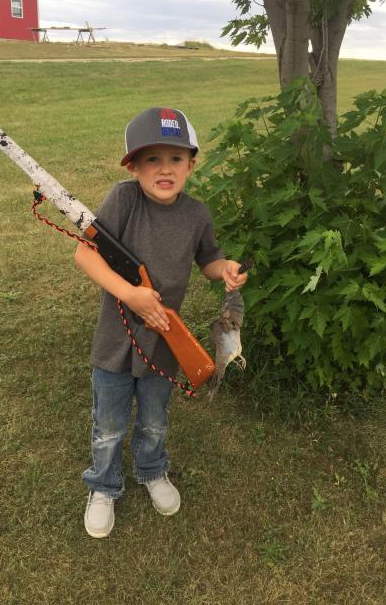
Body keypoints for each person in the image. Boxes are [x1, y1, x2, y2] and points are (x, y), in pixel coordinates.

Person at [75, 107, 248, 538]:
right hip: (116, 339)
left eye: (175, 158)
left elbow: (208, 260)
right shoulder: (123, 200)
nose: (165, 169)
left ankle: (152, 470)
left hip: (164, 341)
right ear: (133, 166)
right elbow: (85, 254)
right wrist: (129, 294)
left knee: (154, 418)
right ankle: (103, 486)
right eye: (152, 159)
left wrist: (225, 268)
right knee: (109, 425)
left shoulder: (197, 214)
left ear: (191, 165)